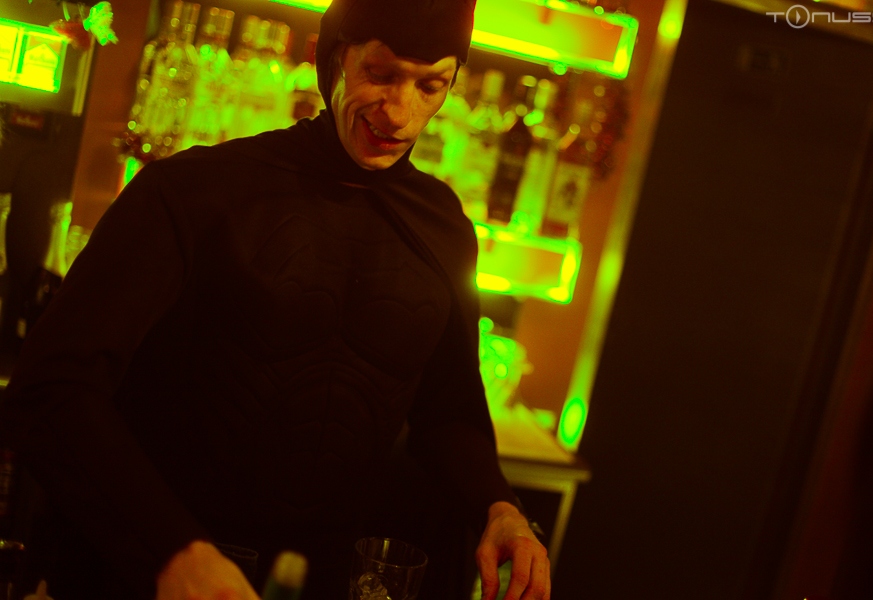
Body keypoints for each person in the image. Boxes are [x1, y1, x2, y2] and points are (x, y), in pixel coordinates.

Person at [0, 0, 551, 599]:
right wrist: (172, 552)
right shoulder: (192, 192)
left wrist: (500, 507)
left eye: (430, 85)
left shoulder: (443, 229)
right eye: (381, 73)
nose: (399, 112)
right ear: (333, 57)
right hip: (147, 579)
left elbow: (449, 414)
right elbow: (52, 388)